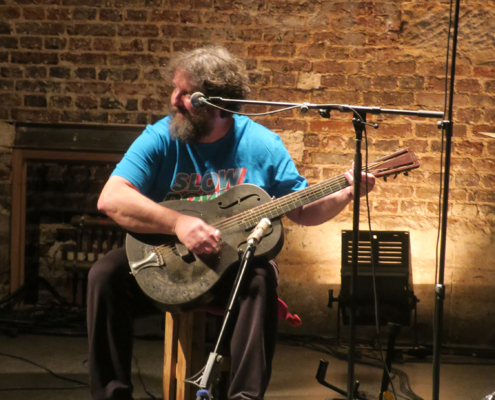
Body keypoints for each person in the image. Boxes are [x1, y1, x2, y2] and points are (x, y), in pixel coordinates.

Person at [87, 45, 375, 400]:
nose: (174, 99)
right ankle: (111, 395)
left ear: (217, 105)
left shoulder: (262, 145)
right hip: (167, 262)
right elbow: (111, 198)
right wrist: (178, 224)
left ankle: (244, 397)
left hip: (231, 271)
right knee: (105, 275)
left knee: (261, 280)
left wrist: (347, 193)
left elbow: (303, 210)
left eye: (185, 93)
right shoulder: (162, 136)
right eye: (175, 88)